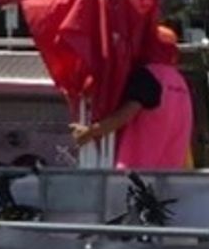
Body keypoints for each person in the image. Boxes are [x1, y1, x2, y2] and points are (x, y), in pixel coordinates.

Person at [71, 24, 193, 169]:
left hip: (136, 173)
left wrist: (91, 132)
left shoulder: (148, 75)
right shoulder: (180, 81)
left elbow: (125, 114)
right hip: (170, 174)